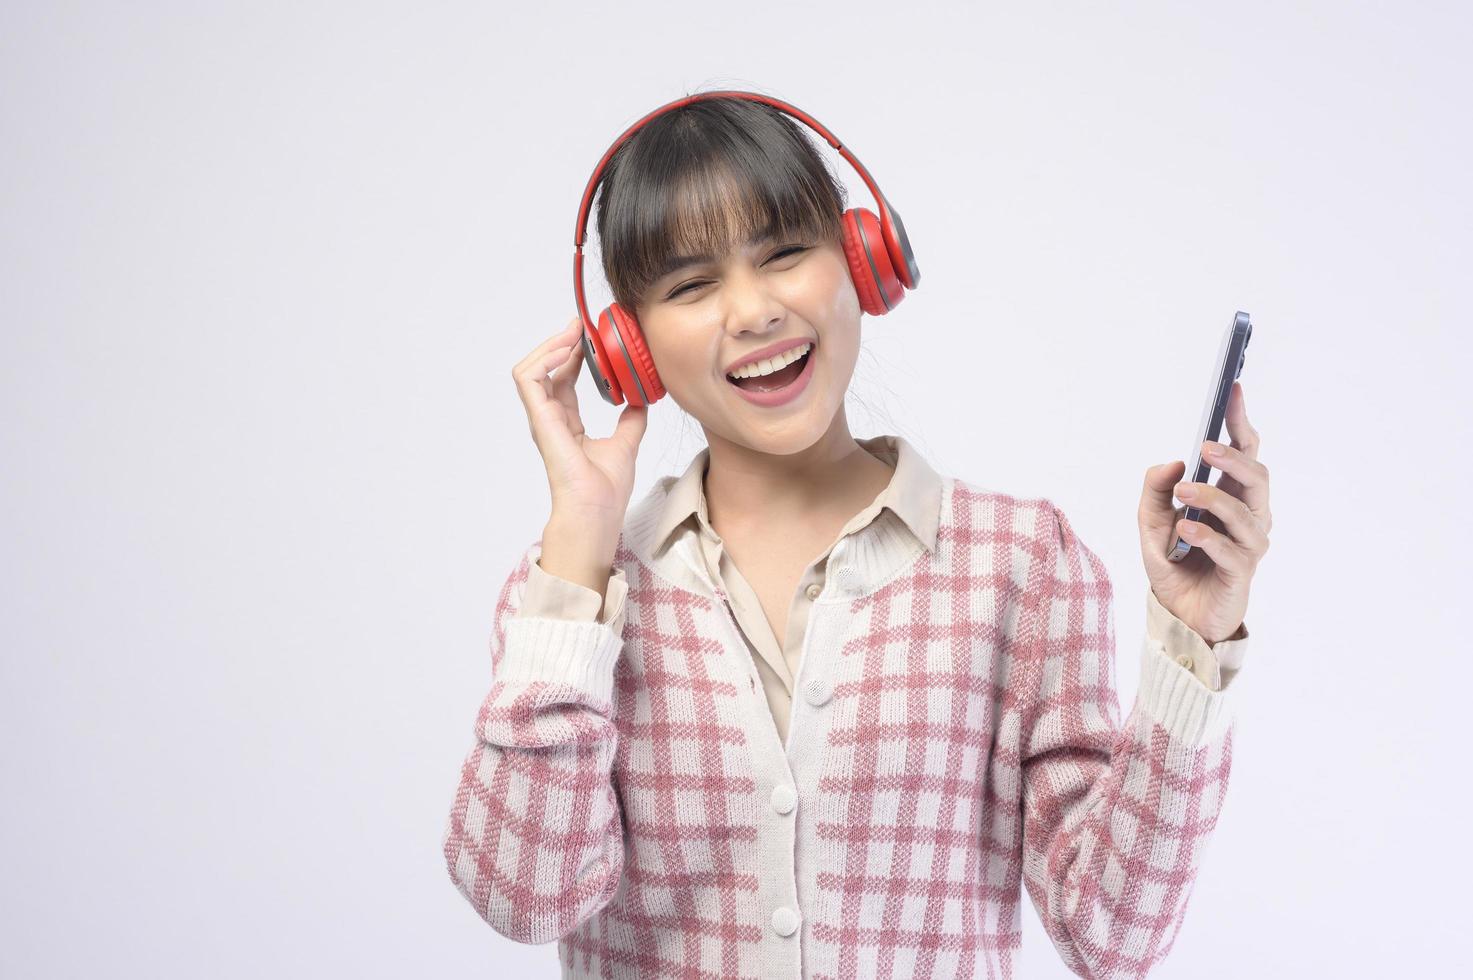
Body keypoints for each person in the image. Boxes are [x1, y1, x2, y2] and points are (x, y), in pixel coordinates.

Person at [442, 91, 1271, 979]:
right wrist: (577, 543)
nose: (752, 310)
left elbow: (1114, 935)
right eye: (691, 286)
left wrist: (1195, 641)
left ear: (862, 262)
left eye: (785, 254)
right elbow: (525, 899)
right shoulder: (571, 603)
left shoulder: (1020, 566)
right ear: (627, 350)